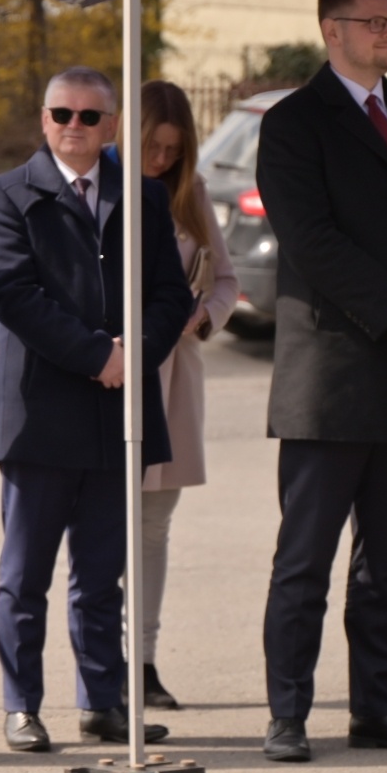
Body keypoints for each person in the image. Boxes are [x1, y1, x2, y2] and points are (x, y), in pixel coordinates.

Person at [256, 0, 387, 763]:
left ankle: (379, 707)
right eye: (373, 22)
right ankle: (288, 714)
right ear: (330, 31)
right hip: (334, 378)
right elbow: (312, 242)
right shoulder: (293, 124)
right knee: (304, 559)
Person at [0, 67, 192, 752]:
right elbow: (12, 294)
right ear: (44, 120)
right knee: (25, 576)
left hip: (118, 414)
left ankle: (103, 701)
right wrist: (99, 355)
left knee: (102, 575)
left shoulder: (145, 197)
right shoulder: (3, 195)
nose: (74, 127)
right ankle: (21, 705)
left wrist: (136, 352)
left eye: (90, 117)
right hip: (43, 414)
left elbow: (171, 293)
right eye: (62, 114)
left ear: (112, 125)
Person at [134, 80, 240, 709]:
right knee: (104, 531)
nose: (162, 160)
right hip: (114, 375)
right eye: (153, 146)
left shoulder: (190, 193)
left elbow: (225, 281)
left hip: (176, 380)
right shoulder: (107, 189)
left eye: (174, 150)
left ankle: (143, 662)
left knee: (153, 530)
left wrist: (204, 319)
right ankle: (106, 663)